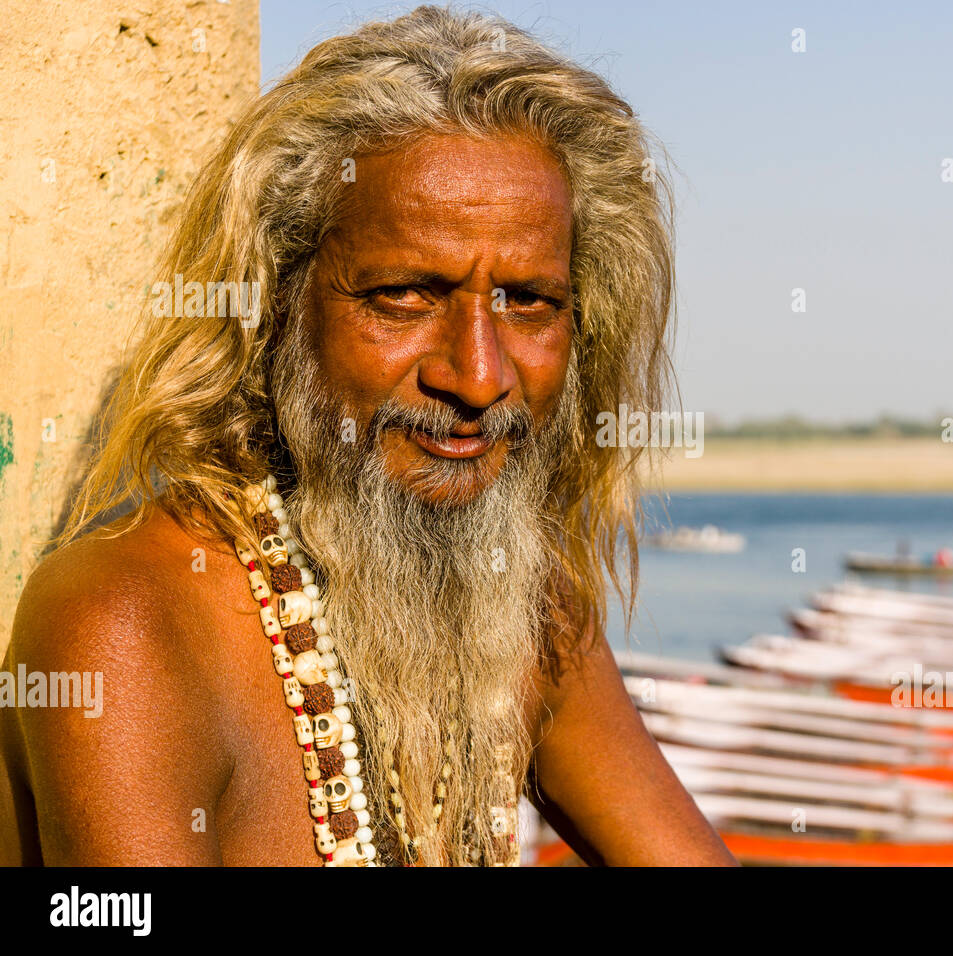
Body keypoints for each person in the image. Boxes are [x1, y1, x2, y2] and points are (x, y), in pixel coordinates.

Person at [0, 5, 734, 867]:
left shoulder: (526, 607)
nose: (477, 377)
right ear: (275, 303)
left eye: (529, 303)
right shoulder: (129, 624)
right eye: (403, 295)